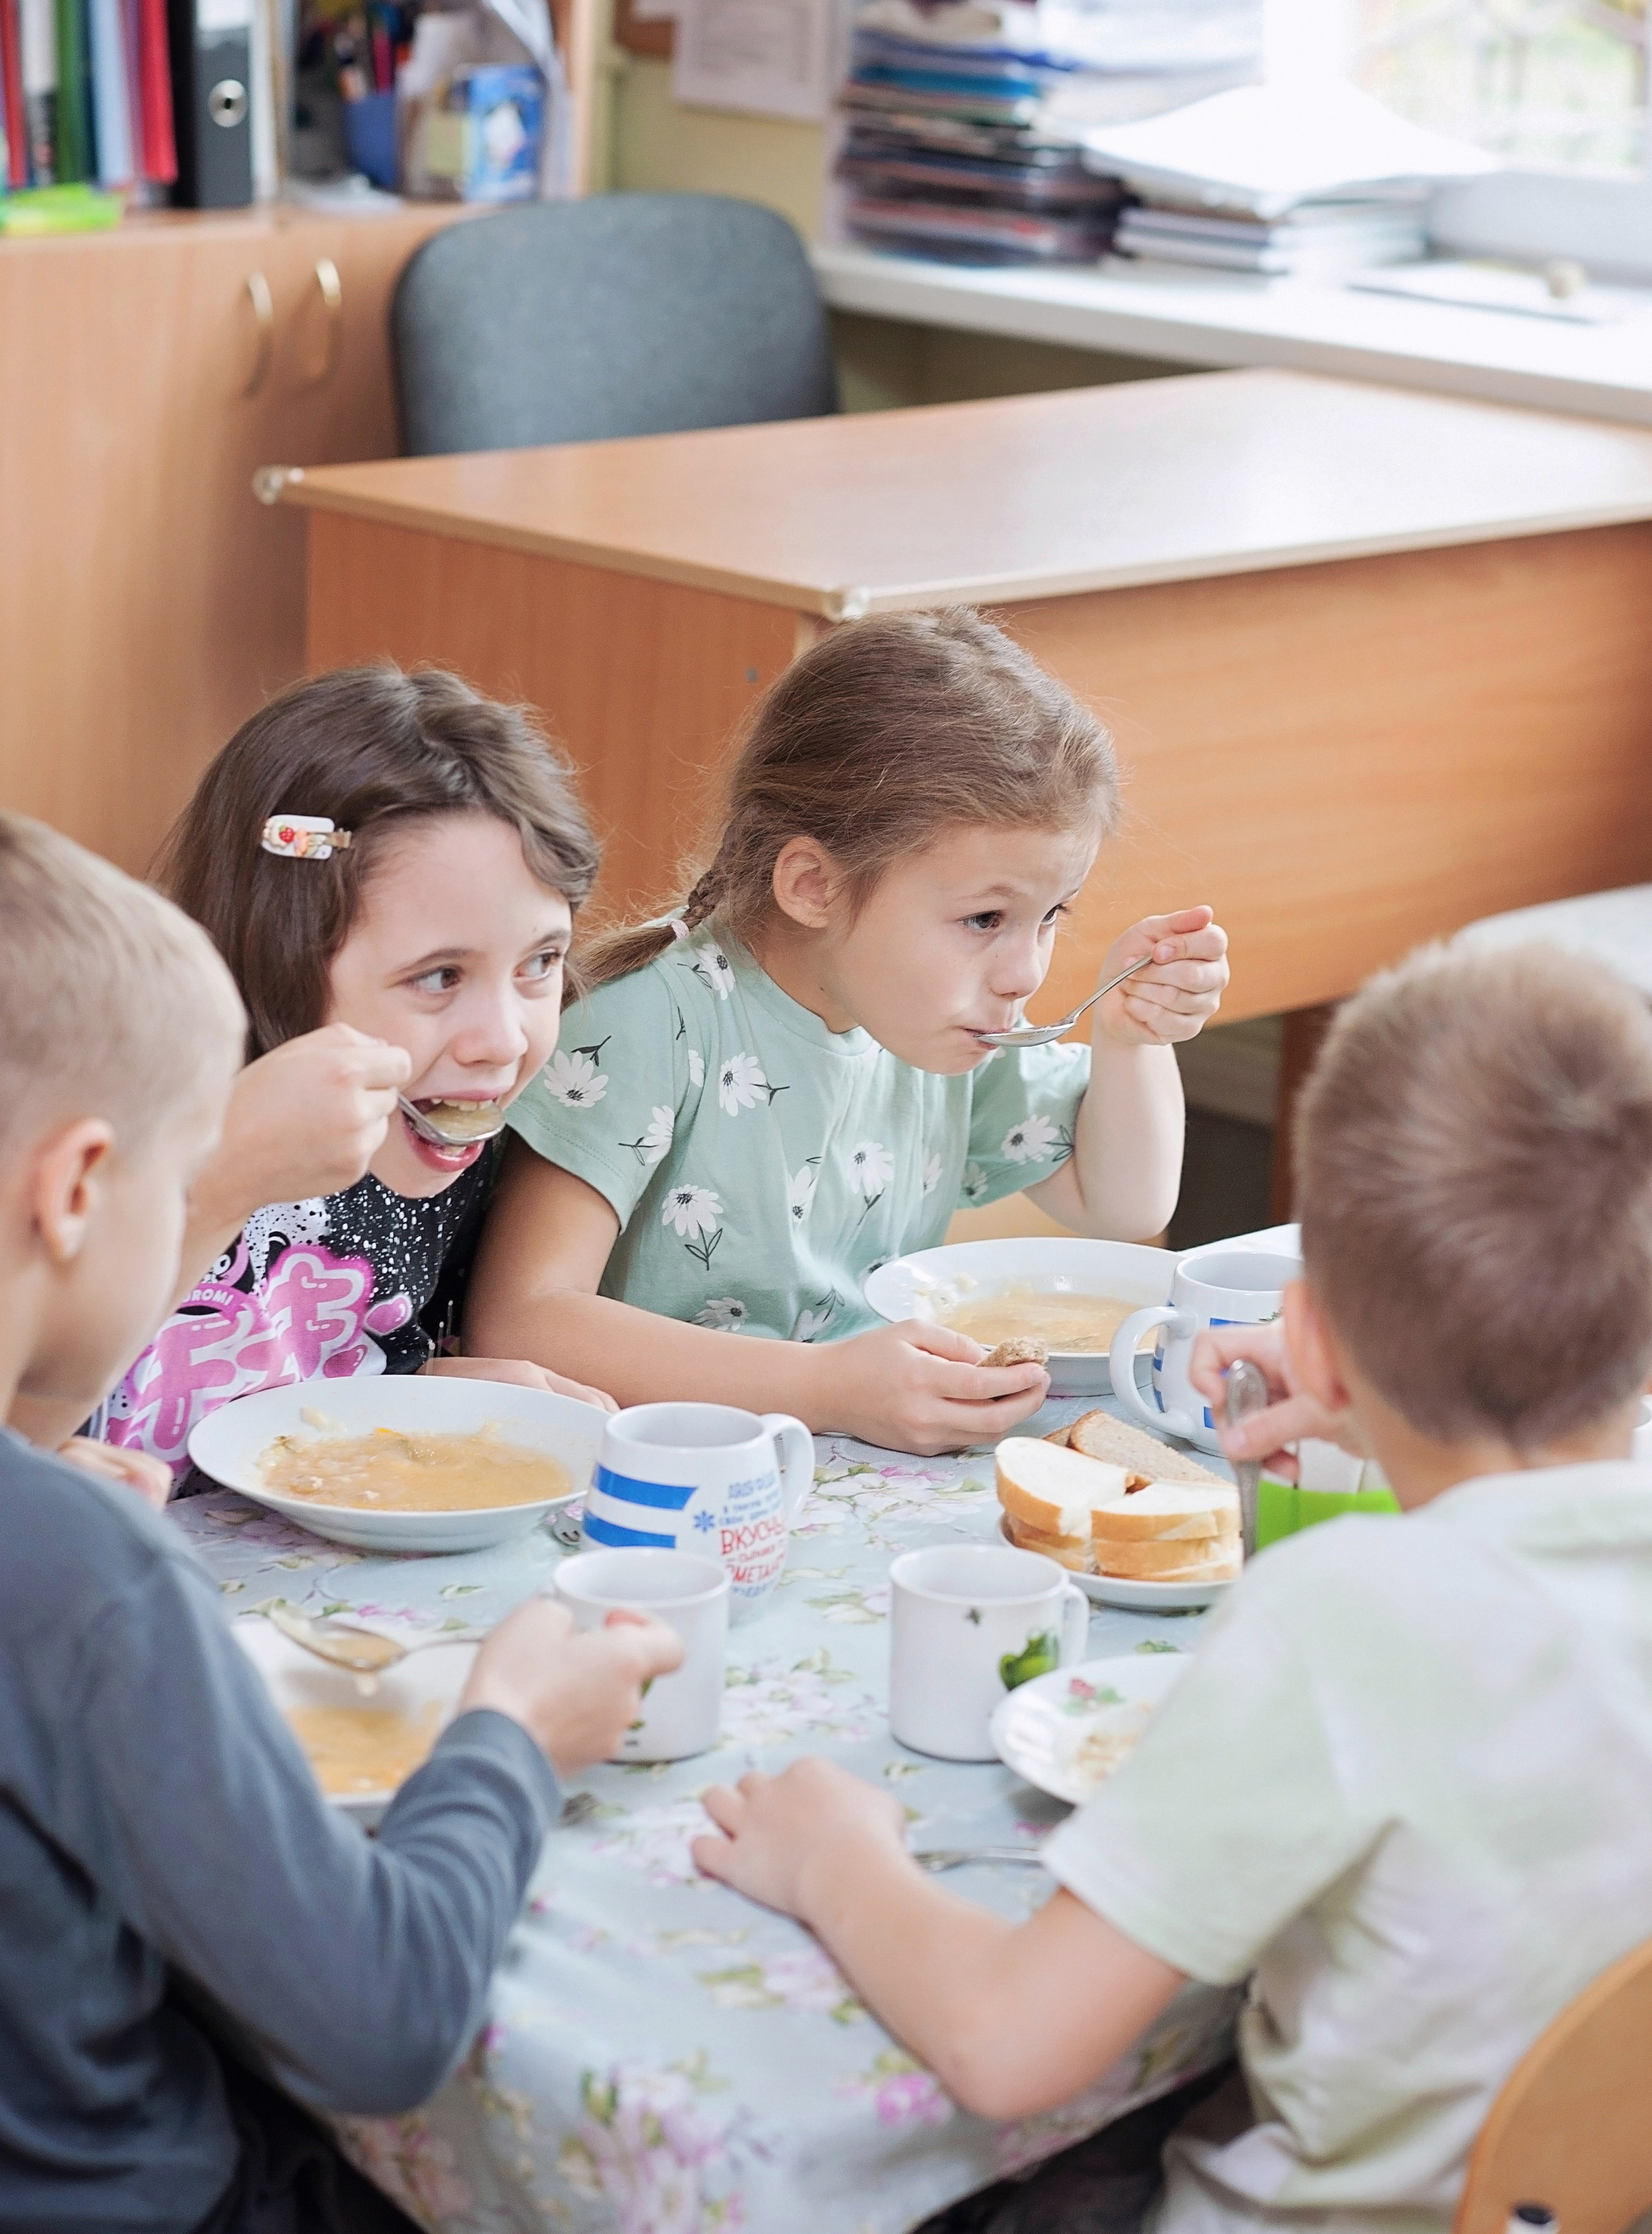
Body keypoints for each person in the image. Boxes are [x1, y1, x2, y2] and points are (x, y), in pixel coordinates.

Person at [689, 939, 1652, 2233]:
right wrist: (1363, 1388)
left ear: (1308, 1328)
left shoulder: (1341, 1611)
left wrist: (833, 1858)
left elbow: (1004, 2043)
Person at [0, 810, 681, 2234]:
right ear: (75, 1189)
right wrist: (512, 1739)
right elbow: (378, 2025)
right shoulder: (75, 1572)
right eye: (176, 1178)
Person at [467, 610, 1229, 1453]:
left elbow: (1122, 1202)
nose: (1027, 971)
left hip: (854, 1466)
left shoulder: (937, 1025)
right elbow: (520, 1319)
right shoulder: (651, 1020)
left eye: (1050, 915)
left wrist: (1133, 1037)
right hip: (669, 1481)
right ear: (812, 885)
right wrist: (827, 1386)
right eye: (984, 918)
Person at [40, 665, 612, 1489]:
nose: (503, 1039)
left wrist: (416, 1395)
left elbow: (321, 1381)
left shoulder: (442, 1129)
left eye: (540, 962)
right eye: (440, 976)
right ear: (282, 955)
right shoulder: (101, 1114)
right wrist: (222, 1180)